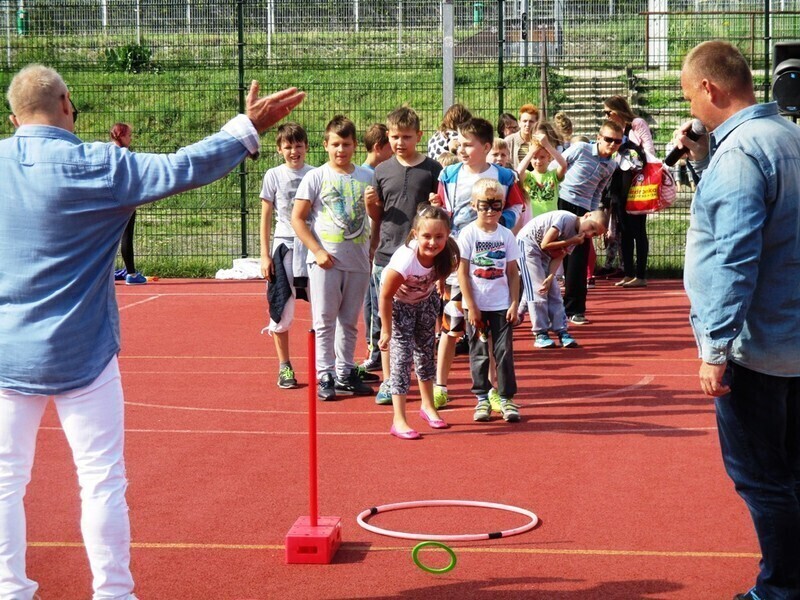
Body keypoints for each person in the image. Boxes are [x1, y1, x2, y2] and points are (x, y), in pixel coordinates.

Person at [0, 63, 304, 600]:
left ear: (12, 116)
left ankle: (11, 589)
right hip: (83, 353)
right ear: (67, 102)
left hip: (6, 354)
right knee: (101, 482)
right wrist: (244, 128)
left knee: (5, 485)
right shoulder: (101, 165)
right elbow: (182, 167)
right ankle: (113, 593)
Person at [678, 40, 800, 600]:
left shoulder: (742, 153)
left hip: (757, 346)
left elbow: (734, 255)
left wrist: (715, 347)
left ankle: (780, 589)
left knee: (762, 478)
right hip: (790, 337)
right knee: (790, 473)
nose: (691, 106)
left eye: (689, 93)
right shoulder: (789, 138)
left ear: (710, 87)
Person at [431, 117, 525, 409]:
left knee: (493, 334)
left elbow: (518, 206)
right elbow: (443, 210)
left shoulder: (505, 177)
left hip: (491, 267)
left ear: (486, 147)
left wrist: (496, 226)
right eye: (459, 141)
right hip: (458, 263)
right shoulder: (448, 174)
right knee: (451, 326)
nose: (461, 147)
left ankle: (495, 391)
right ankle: (440, 385)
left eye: (469, 144)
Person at [291, 115, 375, 401]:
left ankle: (345, 371)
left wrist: (372, 246)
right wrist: (317, 251)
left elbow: (376, 215)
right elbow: (298, 219)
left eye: (347, 144)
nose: (341, 150)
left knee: (350, 321)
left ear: (354, 146)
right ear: (326, 145)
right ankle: (324, 373)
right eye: (336, 144)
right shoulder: (316, 177)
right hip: (326, 261)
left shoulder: (367, 176)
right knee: (325, 319)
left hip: (359, 259)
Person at [365, 106, 442, 406]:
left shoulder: (433, 169)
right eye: (395, 137)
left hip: (422, 258)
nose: (400, 142)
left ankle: (422, 381)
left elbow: (439, 213)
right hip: (387, 253)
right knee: (386, 322)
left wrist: (438, 202)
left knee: (422, 324)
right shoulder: (381, 171)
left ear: (418, 136)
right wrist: (371, 205)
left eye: (407, 137)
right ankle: (388, 380)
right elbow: (378, 214)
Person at [378, 206, 459, 439]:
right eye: (426, 236)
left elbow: (443, 269)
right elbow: (385, 296)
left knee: (425, 354)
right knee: (402, 360)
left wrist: (440, 284)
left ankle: (427, 406)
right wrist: (386, 329)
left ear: (447, 235)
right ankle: (399, 419)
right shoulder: (405, 261)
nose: (432, 242)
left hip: (424, 302)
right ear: (415, 234)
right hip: (398, 306)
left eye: (439, 236)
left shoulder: (448, 251)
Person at [457, 178, 521, 423]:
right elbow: (462, 271)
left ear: (503, 205)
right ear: (474, 205)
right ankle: (482, 398)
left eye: (496, 206)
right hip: (477, 306)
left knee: (504, 352)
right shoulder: (468, 233)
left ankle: (506, 398)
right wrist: (471, 305)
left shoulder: (506, 235)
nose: (490, 211)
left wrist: (515, 302)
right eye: (484, 205)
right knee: (480, 352)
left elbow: (513, 272)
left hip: (501, 305)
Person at [259, 122, 314, 389]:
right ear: (280, 149)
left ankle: (333, 366)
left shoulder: (316, 174)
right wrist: (264, 254)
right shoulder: (273, 175)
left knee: (326, 308)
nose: (294, 151)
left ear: (306, 147)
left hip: (313, 248)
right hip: (285, 248)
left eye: (298, 146)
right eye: (288, 146)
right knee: (282, 308)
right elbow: (266, 215)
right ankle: (285, 367)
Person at [557, 120, 622, 325]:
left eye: (617, 142)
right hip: (562, 202)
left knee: (578, 258)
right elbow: (557, 167)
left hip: (585, 211)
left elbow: (599, 191)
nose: (612, 145)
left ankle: (574, 309)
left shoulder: (612, 165)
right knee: (554, 254)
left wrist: (593, 213)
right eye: (609, 140)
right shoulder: (580, 149)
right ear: (599, 137)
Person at [517, 210, 607, 349]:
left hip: (545, 255)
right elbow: (545, 244)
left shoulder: (578, 237)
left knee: (554, 292)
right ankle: (540, 333)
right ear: (587, 215)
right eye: (592, 227)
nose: (589, 234)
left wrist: (551, 276)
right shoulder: (566, 219)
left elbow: (559, 256)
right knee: (538, 291)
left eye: (594, 234)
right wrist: (573, 240)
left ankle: (561, 331)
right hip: (528, 245)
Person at [603, 95, 656, 288]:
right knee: (623, 230)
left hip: (637, 182)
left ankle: (641, 275)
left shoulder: (637, 124)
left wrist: (633, 154)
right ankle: (628, 273)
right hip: (619, 182)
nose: (607, 116)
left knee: (638, 230)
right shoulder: (616, 131)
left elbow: (649, 151)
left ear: (617, 111)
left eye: (608, 112)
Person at [360, 122, 392, 376]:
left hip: (383, 243)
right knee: (373, 300)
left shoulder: (383, 170)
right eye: (391, 145)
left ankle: (385, 347)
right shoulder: (368, 174)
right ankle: (374, 349)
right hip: (369, 245)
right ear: (380, 147)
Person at [110, 122, 147, 285]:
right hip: (124, 200)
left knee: (106, 238)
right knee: (126, 236)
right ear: (122, 136)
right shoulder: (126, 155)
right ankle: (131, 274)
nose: (131, 138)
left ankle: (105, 273)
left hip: (105, 200)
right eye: (129, 135)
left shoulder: (105, 151)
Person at [516, 132, 568, 221]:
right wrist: (531, 152)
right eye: (535, 157)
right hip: (532, 221)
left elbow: (563, 165)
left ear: (549, 157)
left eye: (542, 157)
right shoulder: (528, 175)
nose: (538, 161)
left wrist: (547, 145)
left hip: (551, 220)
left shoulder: (553, 175)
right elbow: (519, 171)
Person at [504, 103, 540, 169]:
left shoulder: (540, 141)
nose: (527, 124)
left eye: (531, 121)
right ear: (519, 123)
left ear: (537, 123)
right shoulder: (508, 141)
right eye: (525, 121)